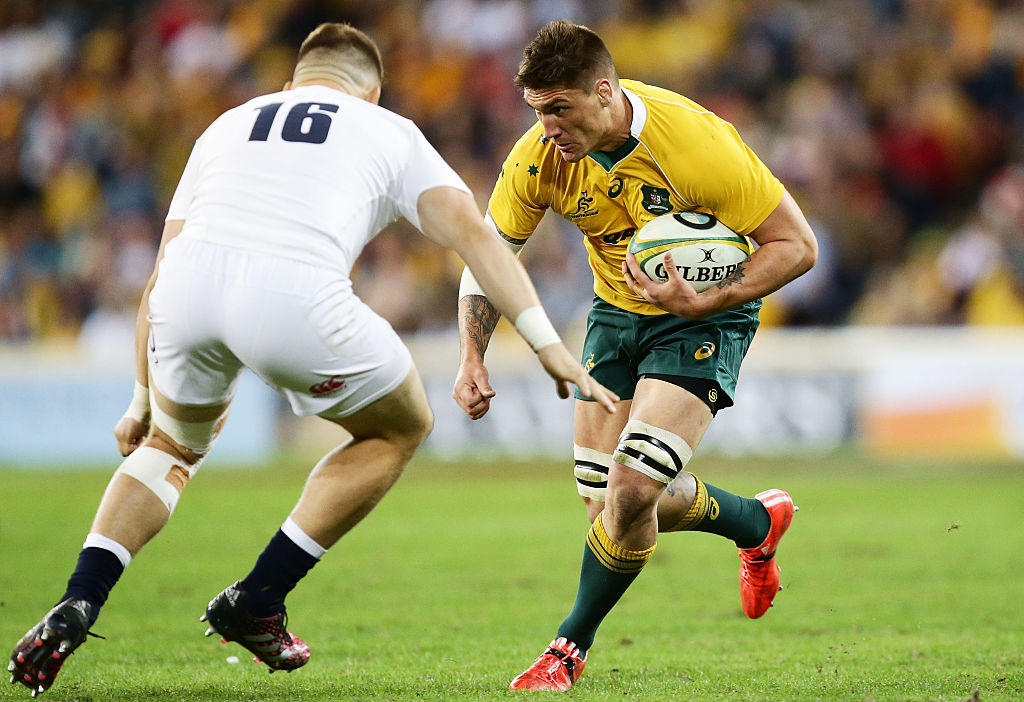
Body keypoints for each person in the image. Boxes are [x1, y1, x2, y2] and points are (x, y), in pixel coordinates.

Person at [7, 22, 616, 698]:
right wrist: (546, 343)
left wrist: (140, 400)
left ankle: (80, 598)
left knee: (168, 449)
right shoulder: (386, 129)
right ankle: (259, 598)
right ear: (373, 91)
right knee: (398, 427)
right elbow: (474, 235)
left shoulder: (227, 125)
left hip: (186, 291)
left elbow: (158, 277)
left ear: (292, 83)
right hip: (292, 295)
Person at [452, 20, 818, 691]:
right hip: (615, 315)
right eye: (538, 112)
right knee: (608, 511)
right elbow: (487, 257)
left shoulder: (696, 145)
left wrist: (712, 299)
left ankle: (568, 647)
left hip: (707, 316)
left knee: (633, 488)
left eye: (560, 108)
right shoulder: (538, 159)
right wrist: (471, 355)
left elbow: (797, 245)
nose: (548, 127)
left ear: (604, 90)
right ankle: (757, 522)